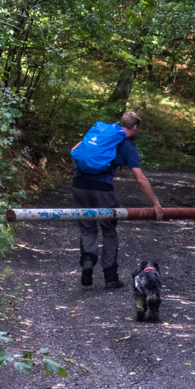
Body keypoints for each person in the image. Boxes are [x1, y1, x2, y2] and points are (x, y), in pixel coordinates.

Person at [71, 111, 164, 289]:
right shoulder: (126, 145)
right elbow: (140, 178)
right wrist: (156, 203)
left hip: (78, 184)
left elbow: (75, 150)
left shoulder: (101, 135)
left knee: (88, 227)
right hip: (102, 189)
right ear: (135, 127)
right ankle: (110, 277)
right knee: (108, 230)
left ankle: (88, 261)